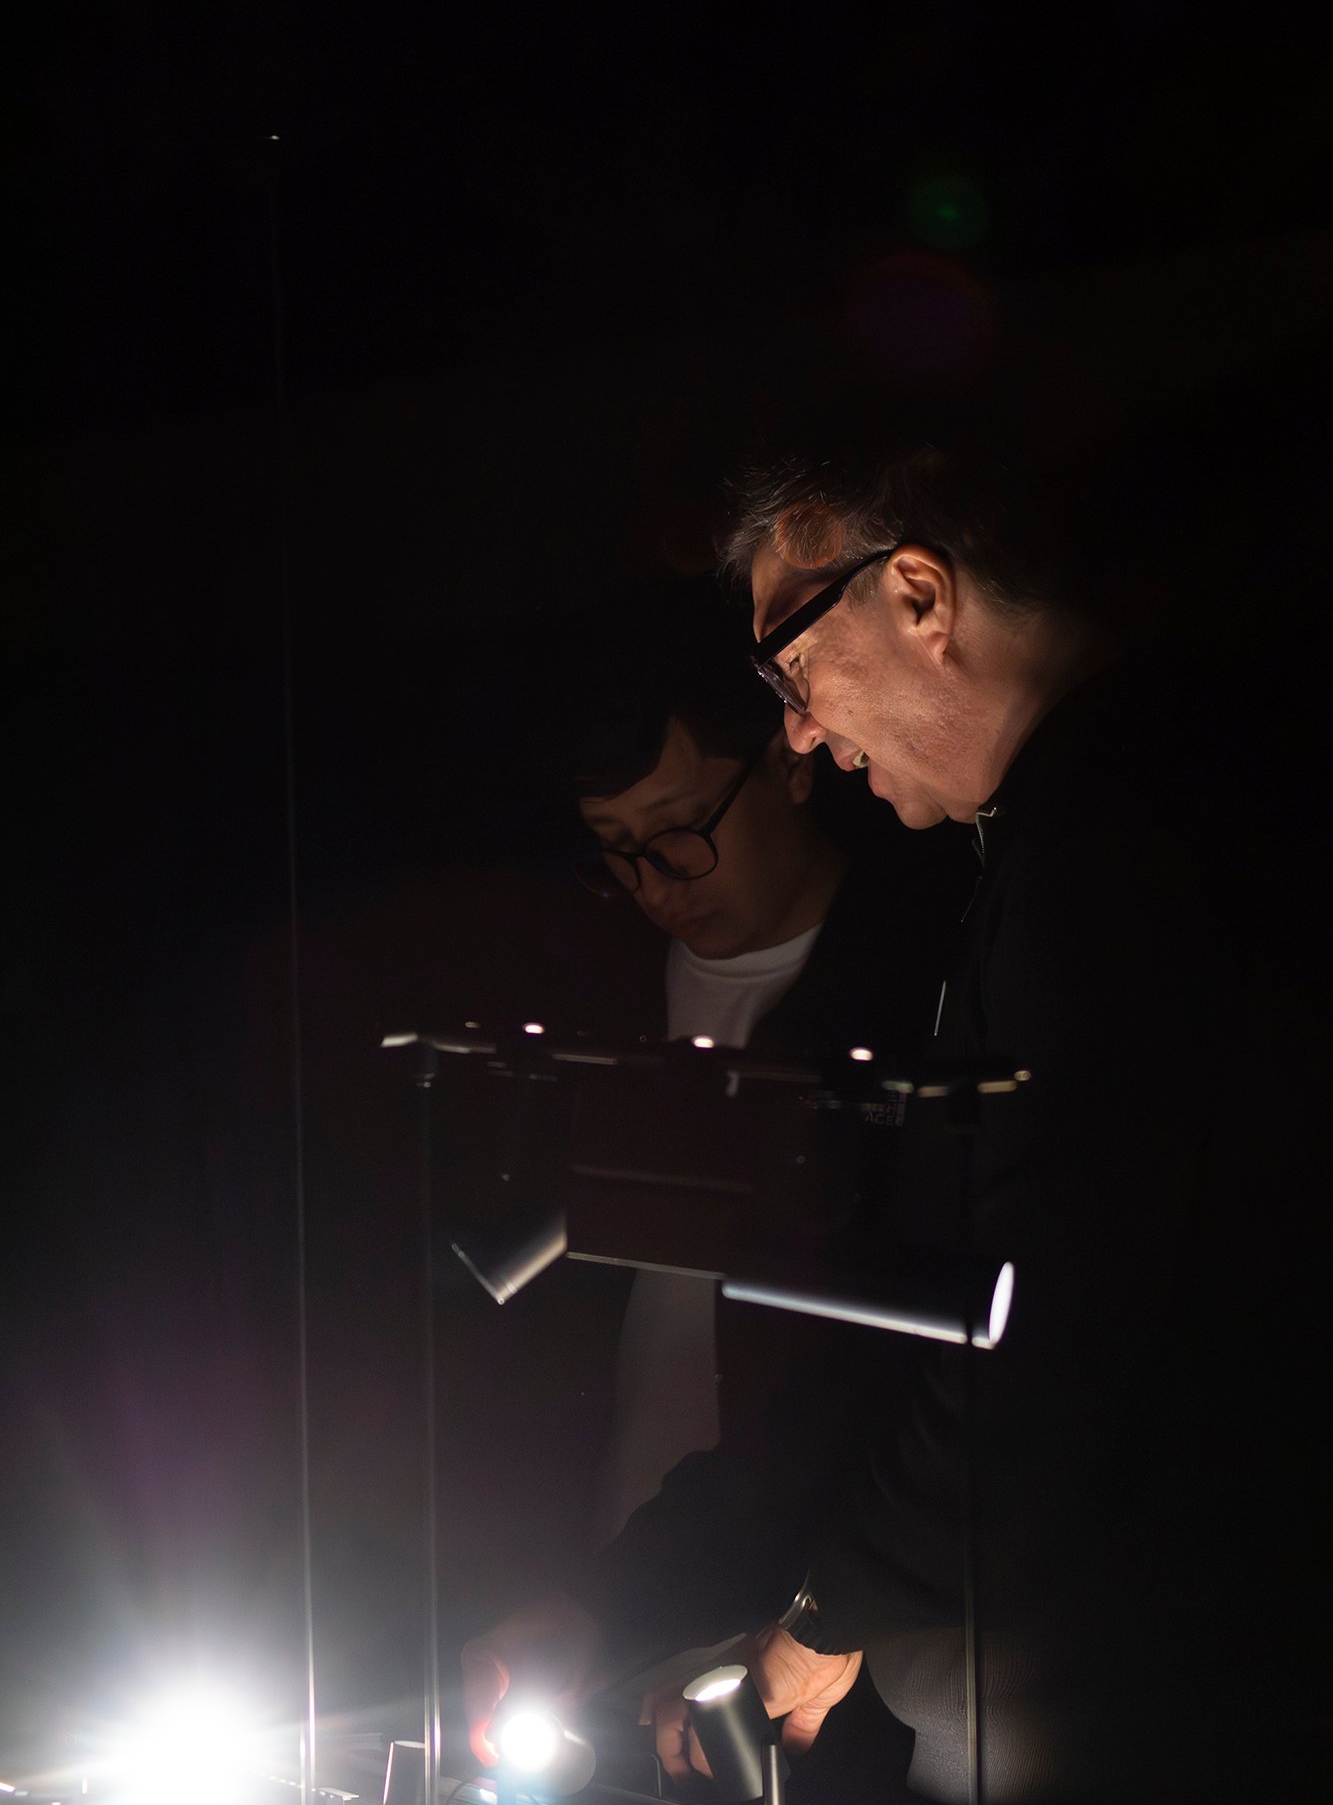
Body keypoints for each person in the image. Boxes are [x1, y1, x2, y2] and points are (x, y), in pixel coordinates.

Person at [464, 438, 1327, 1801]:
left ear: (918, 595)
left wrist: (832, 1610)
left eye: (792, 668)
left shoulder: (1124, 850)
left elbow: (1052, 1318)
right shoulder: (1087, 833)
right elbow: (904, 1339)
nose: (802, 729)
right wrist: (653, 1602)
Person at [462, 578, 971, 1793]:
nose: (658, 878)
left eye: (683, 825)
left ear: (792, 757)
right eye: (618, 847)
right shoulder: (582, 997)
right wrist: (583, 1601)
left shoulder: (918, 996)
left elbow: (868, 1382)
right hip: (604, 1626)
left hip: (808, 1644)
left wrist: (815, 1597)